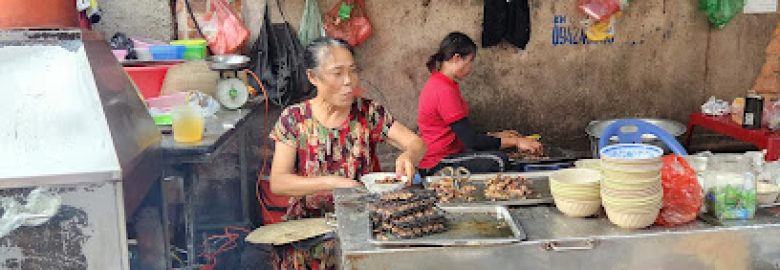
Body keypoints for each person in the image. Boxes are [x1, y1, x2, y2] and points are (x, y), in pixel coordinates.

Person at [268, 37, 425, 269]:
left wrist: (409, 156)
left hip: (363, 224)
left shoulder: (368, 112)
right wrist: (333, 183)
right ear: (313, 77)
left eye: (352, 71)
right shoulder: (294, 118)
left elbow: (416, 143)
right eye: (337, 73)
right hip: (310, 229)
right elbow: (279, 182)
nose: (348, 82)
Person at [417, 32, 542, 176]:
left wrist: (498, 136)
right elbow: (472, 141)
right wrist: (515, 142)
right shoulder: (443, 90)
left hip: (448, 153)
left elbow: (463, 133)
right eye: (470, 61)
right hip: (437, 162)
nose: (470, 67)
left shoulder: (443, 83)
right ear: (456, 58)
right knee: (499, 160)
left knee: (498, 154)